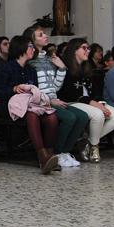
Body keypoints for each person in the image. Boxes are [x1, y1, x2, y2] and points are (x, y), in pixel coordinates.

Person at [0, 36, 59, 174]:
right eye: (30, 46)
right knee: (32, 115)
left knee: (52, 117)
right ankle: (42, 158)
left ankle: (49, 153)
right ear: (21, 48)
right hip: (10, 105)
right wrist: (13, 89)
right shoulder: (7, 68)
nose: (33, 49)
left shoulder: (31, 69)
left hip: (31, 104)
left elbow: (35, 90)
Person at [28, 27, 89, 165]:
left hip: (53, 99)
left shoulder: (51, 59)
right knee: (69, 117)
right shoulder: (30, 61)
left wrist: (62, 69)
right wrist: (50, 100)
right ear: (32, 40)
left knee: (83, 116)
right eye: (41, 34)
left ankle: (65, 152)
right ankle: (57, 152)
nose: (45, 36)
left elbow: (55, 87)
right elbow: (33, 89)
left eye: (44, 33)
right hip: (40, 102)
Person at [59, 38, 114, 162]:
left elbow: (94, 92)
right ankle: (94, 147)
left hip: (89, 101)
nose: (88, 50)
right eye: (84, 48)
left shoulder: (86, 66)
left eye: (88, 48)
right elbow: (70, 94)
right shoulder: (66, 68)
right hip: (71, 102)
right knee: (98, 114)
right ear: (74, 50)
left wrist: (100, 102)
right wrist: (94, 104)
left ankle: (86, 141)